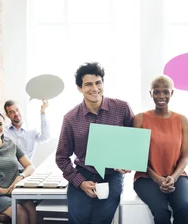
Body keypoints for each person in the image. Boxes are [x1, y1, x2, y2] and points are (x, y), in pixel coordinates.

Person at [55, 62, 134, 224]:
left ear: (103, 84)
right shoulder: (70, 118)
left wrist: (126, 161)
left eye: (98, 83)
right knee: (77, 219)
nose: (94, 88)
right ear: (79, 88)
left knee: (101, 220)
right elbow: (61, 157)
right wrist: (80, 182)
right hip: (83, 173)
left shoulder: (122, 108)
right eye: (88, 84)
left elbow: (133, 142)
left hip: (112, 175)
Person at [132, 75, 188, 224]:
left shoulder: (182, 120)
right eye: (156, 92)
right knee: (161, 213)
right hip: (146, 178)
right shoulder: (140, 119)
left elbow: (184, 157)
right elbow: (137, 159)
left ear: (172, 93)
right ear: (150, 93)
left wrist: (173, 177)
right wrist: (157, 179)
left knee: (185, 210)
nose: (161, 96)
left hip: (176, 176)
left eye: (165, 92)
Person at [3, 99, 51, 170]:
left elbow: (45, 137)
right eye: (11, 112)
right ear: (7, 115)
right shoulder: (4, 132)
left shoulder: (32, 130)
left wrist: (43, 113)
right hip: (8, 172)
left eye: (17, 110)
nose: (16, 113)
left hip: (27, 171)